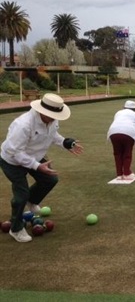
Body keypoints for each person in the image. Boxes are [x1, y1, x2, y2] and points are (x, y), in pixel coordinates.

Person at [0, 93, 83, 243]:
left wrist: (65, 142)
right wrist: (37, 166)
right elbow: (15, 152)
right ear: (42, 111)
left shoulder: (52, 119)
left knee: (50, 179)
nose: (53, 118)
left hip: (34, 156)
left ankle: (32, 201)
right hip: (12, 161)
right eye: (51, 115)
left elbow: (53, 134)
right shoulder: (23, 125)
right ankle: (16, 228)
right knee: (21, 194)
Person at [107, 100, 135, 181]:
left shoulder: (118, 112)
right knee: (127, 153)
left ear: (124, 107)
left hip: (113, 133)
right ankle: (126, 173)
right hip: (128, 133)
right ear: (134, 109)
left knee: (117, 154)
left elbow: (116, 122)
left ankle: (119, 174)